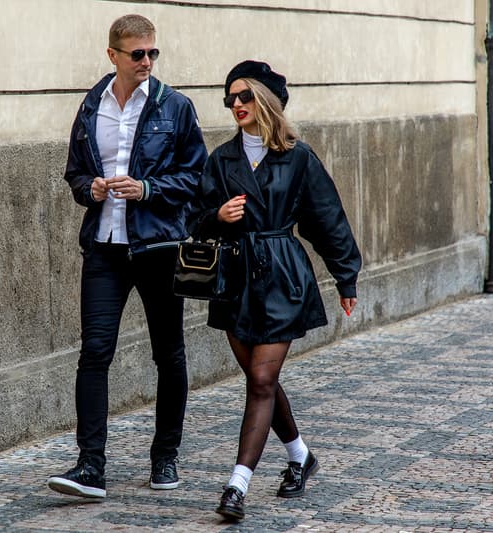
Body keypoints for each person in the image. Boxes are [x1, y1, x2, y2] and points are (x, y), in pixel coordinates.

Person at [186, 60, 361, 520]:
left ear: (266, 100)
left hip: (282, 274)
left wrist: (346, 276)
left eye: (245, 96)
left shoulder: (297, 156)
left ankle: (236, 486)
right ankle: (300, 456)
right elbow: (191, 217)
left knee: (262, 380)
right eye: (230, 98)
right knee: (260, 380)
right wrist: (215, 218)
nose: (237, 105)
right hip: (236, 279)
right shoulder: (221, 159)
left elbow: (327, 218)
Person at [46, 14, 207, 499]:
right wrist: (89, 188)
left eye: (153, 53)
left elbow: (195, 177)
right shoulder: (92, 105)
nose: (147, 62)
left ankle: (165, 456)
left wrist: (148, 188)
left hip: (157, 247)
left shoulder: (173, 106)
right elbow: (74, 172)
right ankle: (90, 466)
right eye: (137, 54)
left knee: (168, 353)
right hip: (104, 247)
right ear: (112, 55)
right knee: (95, 353)